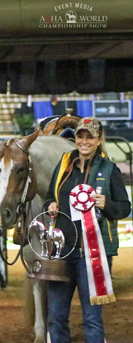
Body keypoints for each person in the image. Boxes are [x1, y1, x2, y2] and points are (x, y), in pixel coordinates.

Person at [44, 117, 131, 343]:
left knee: (92, 318)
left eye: (89, 137)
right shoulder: (63, 166)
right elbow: (48, 198)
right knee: (55, 317)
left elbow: (124, 208)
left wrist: (106, 204)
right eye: (80, 136)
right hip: (61, 252)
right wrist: (50, 205)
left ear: (98, 139)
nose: (84, 141)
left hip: (91, 255)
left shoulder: (109, 170)